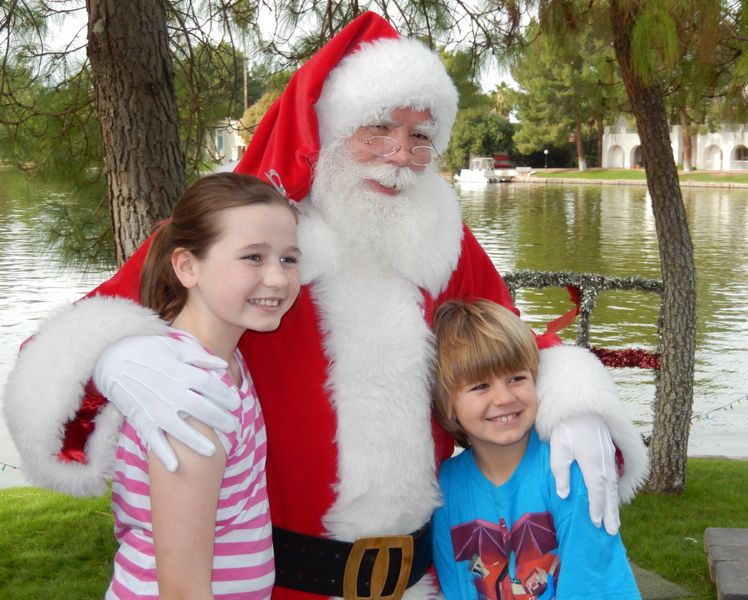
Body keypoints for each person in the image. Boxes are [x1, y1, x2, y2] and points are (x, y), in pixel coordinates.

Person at [3, 12, 648, 600]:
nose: (401, 154)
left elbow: (510, 351)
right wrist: (120, 358)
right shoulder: (250, 236)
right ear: (331, 130)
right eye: (378, 130)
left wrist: (575, 408)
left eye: (420, 136)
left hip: (425, 581)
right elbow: (63, 356)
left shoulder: (441, 237)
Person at [105, 172, 300, 598]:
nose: (278, 279)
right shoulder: (190, 394)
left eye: (289, 259)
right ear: (188, 266)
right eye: (252, 257)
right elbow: (182, 590)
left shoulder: (217, 362)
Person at [431, 300, 641, 599]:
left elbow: (594, 583)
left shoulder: (567, 473)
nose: (504, 398)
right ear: (448, 405)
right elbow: (455, 587)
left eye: (516, 378)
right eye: (480, 386)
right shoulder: (444, 489)